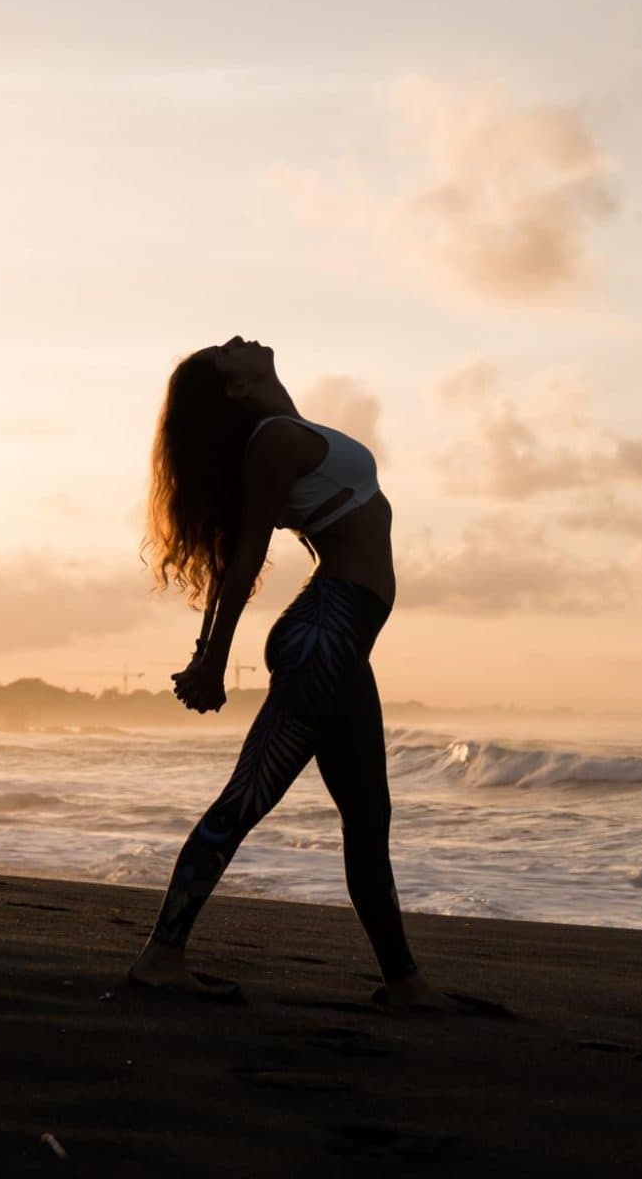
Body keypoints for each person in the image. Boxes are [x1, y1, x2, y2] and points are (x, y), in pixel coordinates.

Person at [128, 334, 444, 1011]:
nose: (238, 339)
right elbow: (240, 563)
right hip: (322, 640)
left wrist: (210, 656)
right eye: (224, 351)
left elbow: (236, 558)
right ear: (236, 389)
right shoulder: (273, 438)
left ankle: (406, 982)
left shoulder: (283, 430)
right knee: (246, 800)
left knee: (368, 816)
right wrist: (210, 662)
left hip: (336, 644)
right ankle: (161, 957)